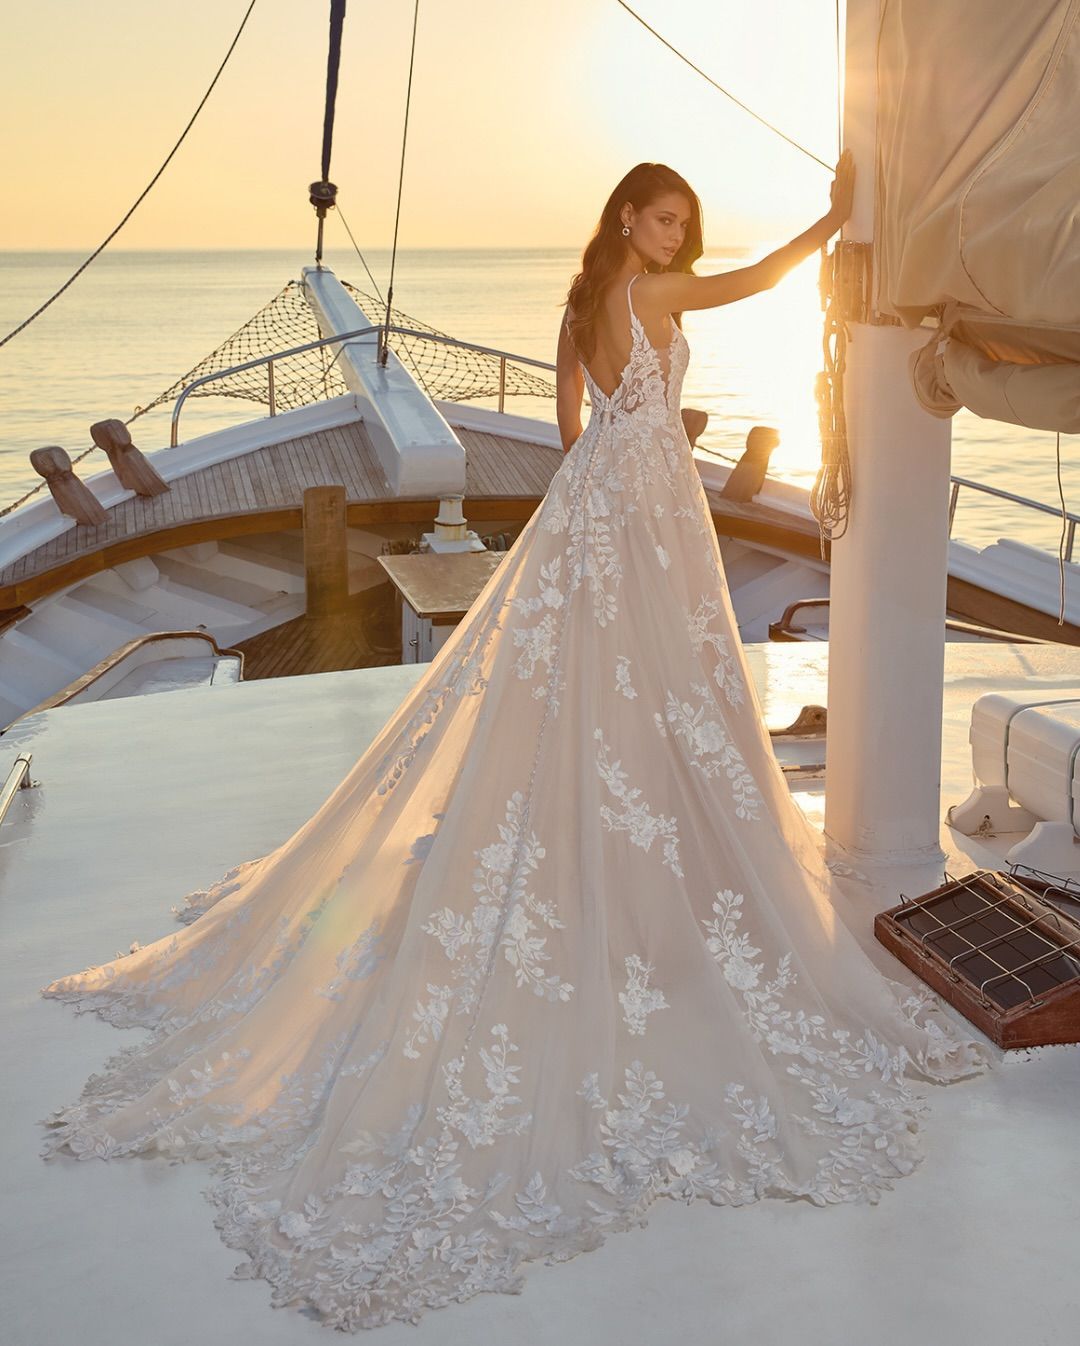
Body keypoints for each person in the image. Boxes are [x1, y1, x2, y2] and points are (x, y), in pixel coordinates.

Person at [39, 154, 994, 1333]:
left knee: (582, 688)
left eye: (680, 224)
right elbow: (751, 281)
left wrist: (603, 468)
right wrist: (837, 218)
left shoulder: (581, 301)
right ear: (629, 224)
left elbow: (565, 423)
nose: (675, 240)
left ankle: (598, 849)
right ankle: (638, 870)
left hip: (594, 494)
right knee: (656, 684)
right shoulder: (657, 297)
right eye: (661, 222)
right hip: (643, 507)